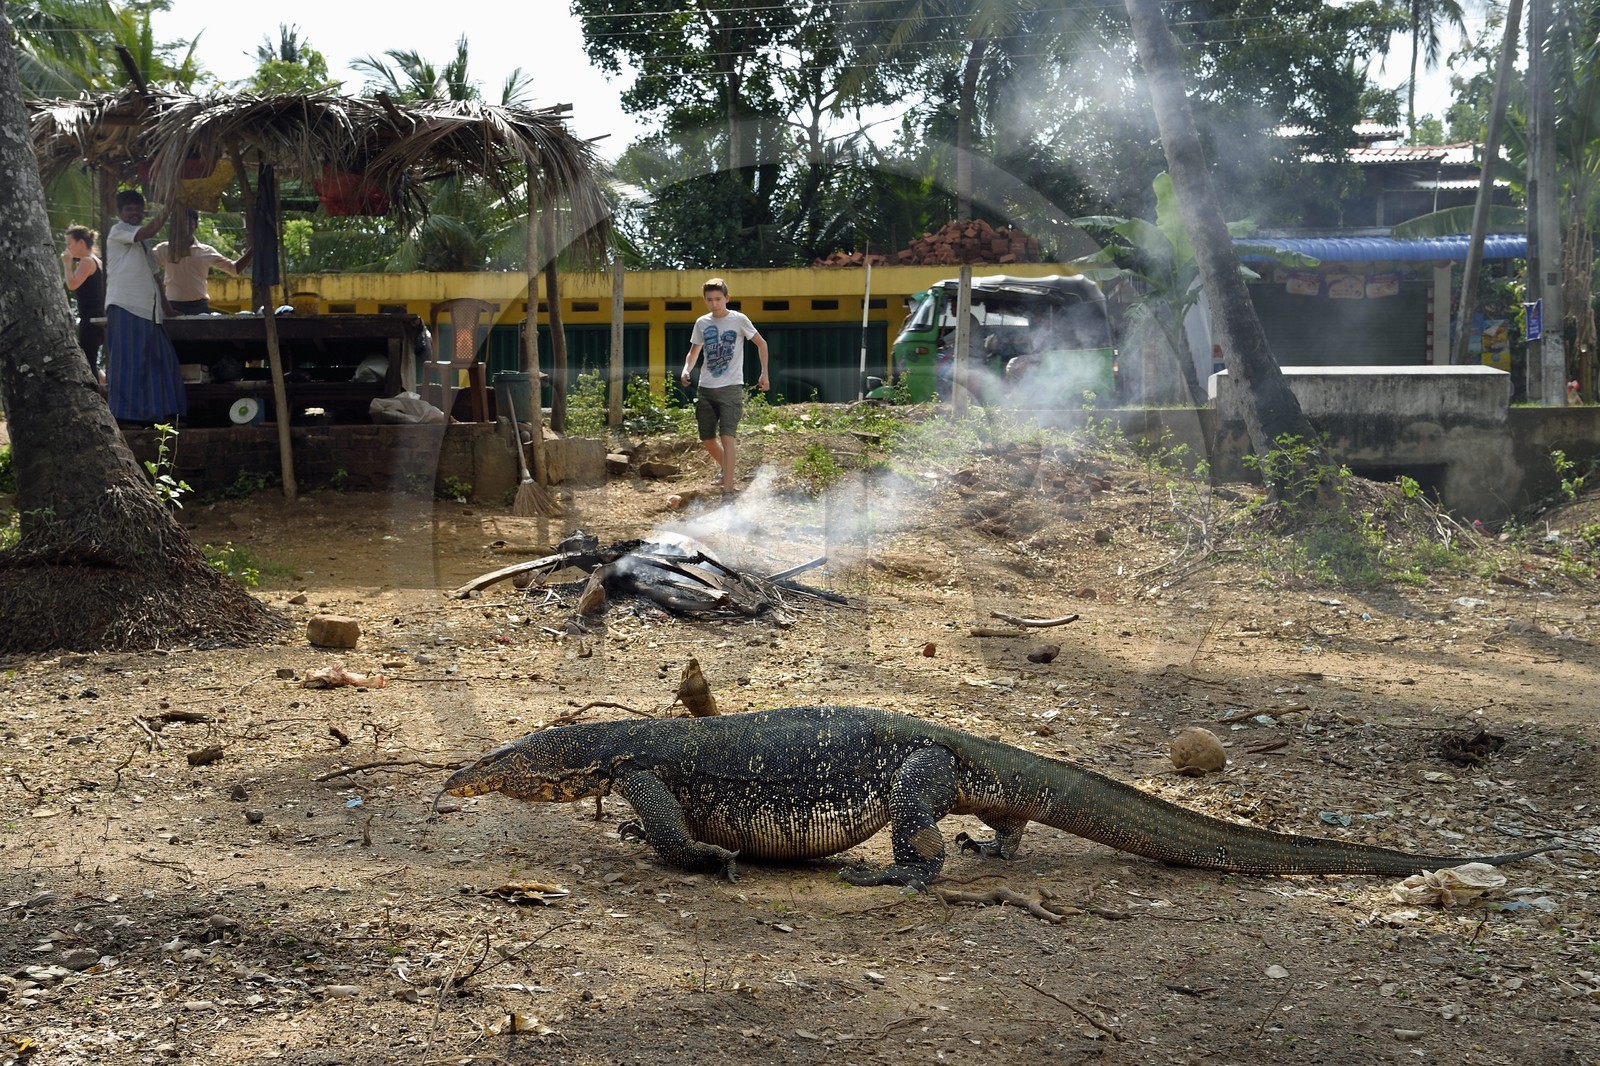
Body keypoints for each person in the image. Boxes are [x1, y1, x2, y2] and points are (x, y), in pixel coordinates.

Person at [679, 277, 770, 494]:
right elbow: (694, 352)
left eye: (718, 299)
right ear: (705, 300)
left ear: (727, 298)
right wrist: (686, 369)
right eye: (709, 300)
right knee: (707, 438)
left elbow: (761, 343)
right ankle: (726, 468)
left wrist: (764, 372)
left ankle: (729, 489)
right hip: (706, 387)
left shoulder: (739, 320)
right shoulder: (702, 323)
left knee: (727, 436)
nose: (714, 304)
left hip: (731, 387)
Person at [104, 189, 185, 427]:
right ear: (120, 213)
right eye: (129, 209)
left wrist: (168, 310)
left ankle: (162, 414)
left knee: (162, 360)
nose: (134, 213)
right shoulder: (118, 231)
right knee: (129, 362)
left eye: (138, 209)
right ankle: (126, 416)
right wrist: (168, 206)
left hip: (150, 312)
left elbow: (156, 278)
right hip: (126, 305)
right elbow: (151, 229)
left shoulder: (145, 244)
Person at [152, 209, 252, 315]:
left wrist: (253, 250)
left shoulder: (206, 251)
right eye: (181, 223)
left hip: (199, 307)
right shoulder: (164, 249)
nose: (185, 227)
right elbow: (148, 268)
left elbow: (234, 269)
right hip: (172, 307)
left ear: (195, 225)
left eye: (189, 223)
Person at [61, 225, 105, 378]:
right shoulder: (98, 262)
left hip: (91, 318)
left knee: (87, 361)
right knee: (90, 358)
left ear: (80, 243)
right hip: (100, 315)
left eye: (69, 244)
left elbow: (72, 284)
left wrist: (67, 264)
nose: (68, 248)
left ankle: (96, 395)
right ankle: (103, 383)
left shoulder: (86, 261)